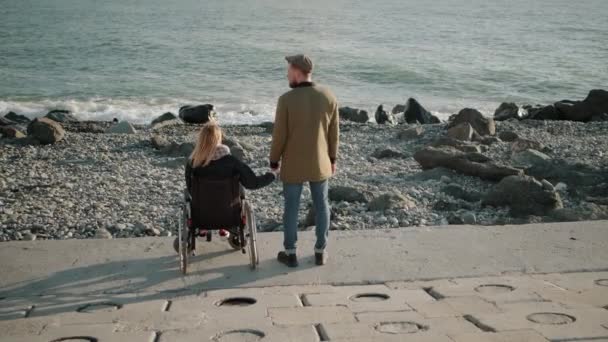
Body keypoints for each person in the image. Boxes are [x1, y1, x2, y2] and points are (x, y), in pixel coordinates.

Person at [270, 54, 340, 267]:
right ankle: (320, 251)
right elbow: (333, 133)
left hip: (293, 164)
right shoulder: (328, 95)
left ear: (298, 72)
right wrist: (332, 158)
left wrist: (274, 161)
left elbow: (279, 135)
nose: (287, 73)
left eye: (289, 69)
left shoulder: (286, 100)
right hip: (320, 162)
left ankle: (290, 253)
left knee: (291, 207)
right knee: (322, 205)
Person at [184, 121, 276, 240]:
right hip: (229, 216)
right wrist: (272, 175)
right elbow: (253, 183)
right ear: (219, 138)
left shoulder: (193, 163)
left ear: (201, 140)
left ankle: (203, 229)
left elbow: (191, 189)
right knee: (236, 193)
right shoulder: (232, 162)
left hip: (201, 217)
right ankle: (224, 228)